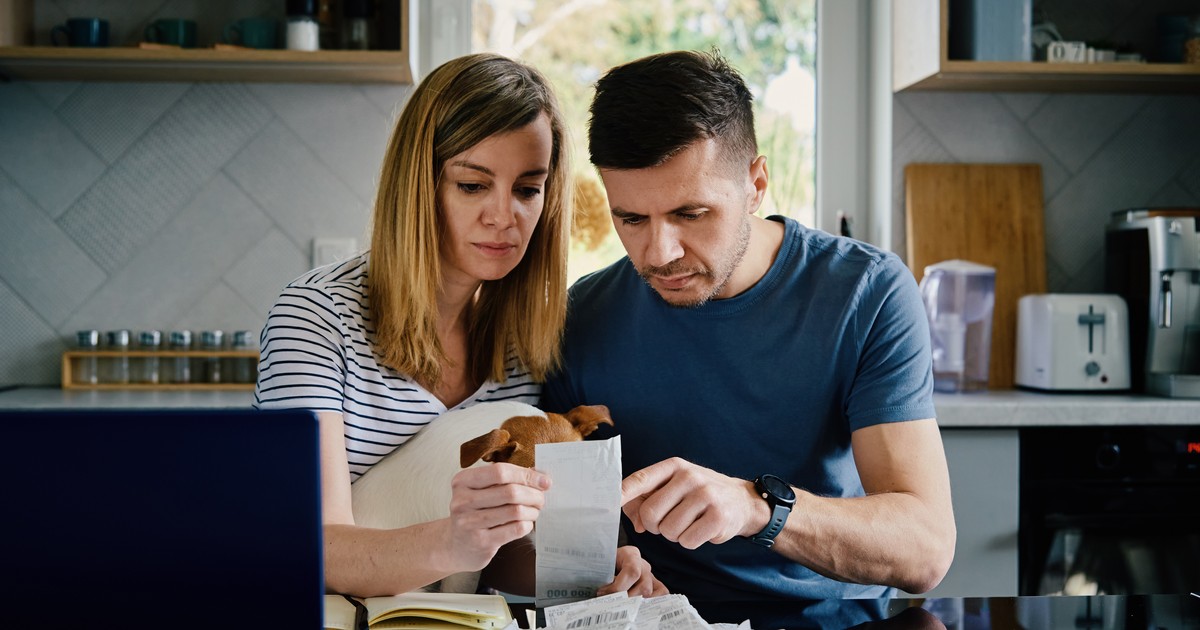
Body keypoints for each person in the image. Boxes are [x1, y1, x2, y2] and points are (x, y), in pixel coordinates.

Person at [542, 50, 955, 601]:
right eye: (632, 219)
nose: (659, 252)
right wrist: (605, 566)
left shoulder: (867, 293)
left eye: (691, 214)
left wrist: (759, 508)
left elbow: (925, 551)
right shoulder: (582, 317)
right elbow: (569, 535)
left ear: (756, 184)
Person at [255, 52, 663, 598]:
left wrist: (587, 573)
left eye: (527, 189)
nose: (504, 215)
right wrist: (451, 541)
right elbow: (307, 545)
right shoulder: (316, 317)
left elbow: (492, 561)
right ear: (419, 185)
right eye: (473, 185)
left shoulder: (524, 343)